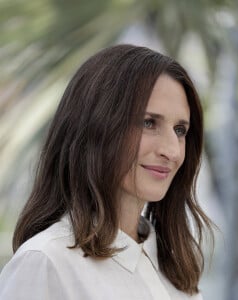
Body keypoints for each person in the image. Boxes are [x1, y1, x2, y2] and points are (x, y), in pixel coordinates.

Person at [0, 44, 213, 299]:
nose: (172, 151)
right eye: (148, 123)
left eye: (180, 130)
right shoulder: (46, 263)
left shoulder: (177, 273)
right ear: (95, 126)